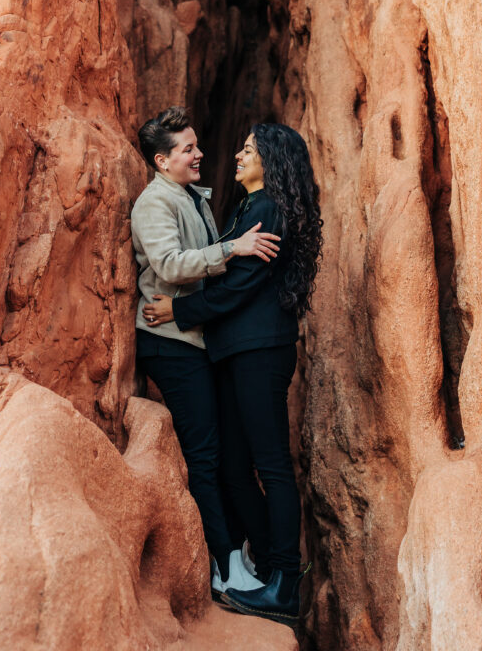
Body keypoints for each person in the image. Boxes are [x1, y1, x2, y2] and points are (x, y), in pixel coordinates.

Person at [144, 123, 323, 624]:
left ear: (273, 160)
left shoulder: (266, 209)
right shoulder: (248, 207)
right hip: (238, 353)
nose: (238, 154)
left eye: (249, 149)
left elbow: (239, 286)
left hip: (259, 353)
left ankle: (285, 581)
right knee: (233, 468)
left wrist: (178, 313)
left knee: (269, 466)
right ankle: (268, 565)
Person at [131, 106, 282, 597]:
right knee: (205, 453)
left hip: (193, 340)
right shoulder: (156, 203)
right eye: (188, 149)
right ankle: (222, 564)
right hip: (170, 344)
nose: (200, 154)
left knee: (219, 455)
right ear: (161, 160)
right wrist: (231, 249)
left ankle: (235, 552)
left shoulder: (192, 197)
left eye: (197, 144)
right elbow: (171, 265)